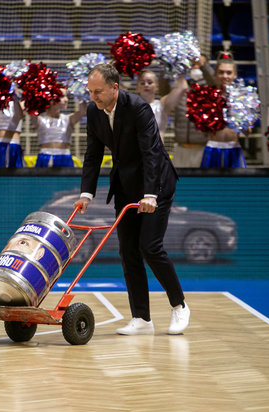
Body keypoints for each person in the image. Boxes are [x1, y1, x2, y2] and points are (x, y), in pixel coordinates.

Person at [74, 63, 190, 336]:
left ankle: (179, 305)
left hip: (156, 183)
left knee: (149, 246)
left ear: (115, 87)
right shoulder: (94, 110)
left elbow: (151, 153)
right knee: (127, 251)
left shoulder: (138, 107)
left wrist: (150, 194)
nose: (93, 97)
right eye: (90, 92)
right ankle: (141, 318)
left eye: (98, 92)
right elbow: (93, 153)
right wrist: (86, 193)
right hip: (125, 183)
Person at [199, 52, 246, 168]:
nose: (225, 76)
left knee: (237, 185)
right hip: (212, 149)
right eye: (221, 72)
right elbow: (202, 129)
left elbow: (247, 132)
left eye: (229, 73)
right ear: (215, 74)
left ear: (235, 75)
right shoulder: (208, 97)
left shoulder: (243, 98)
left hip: (234, 149)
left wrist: (242, 120)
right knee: (211, 186)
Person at [171, 56, 215, 168]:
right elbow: (163, 90)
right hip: (180, 149)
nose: (194, 63)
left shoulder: (209, 88)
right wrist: (168, 64)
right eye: (191, 61)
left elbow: (215, 81)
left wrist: (203, 65)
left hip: (202, 149)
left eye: (197, 61)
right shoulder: (180, 86)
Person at [32, 88, 86, 168]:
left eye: (66, 96)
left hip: (65, 156)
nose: (66, 100)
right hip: (45, 156)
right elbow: (31, 109)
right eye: (62, 96)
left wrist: (81, 94)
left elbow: (82, 112)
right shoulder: (40, 120)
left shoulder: (68, 119)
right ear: (52, 99)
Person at [135, 69, 187, 142]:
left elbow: (182, 88)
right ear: (137, 88)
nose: (146, 85)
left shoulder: (162, 104)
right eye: (142, 83)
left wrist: (177, 68)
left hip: (155, 151)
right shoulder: (130, 106)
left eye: (150, 82)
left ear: (157, 87)